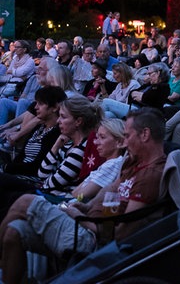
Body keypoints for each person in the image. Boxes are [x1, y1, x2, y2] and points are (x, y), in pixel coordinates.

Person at [0, 107, 166, 284]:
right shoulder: (134, 163)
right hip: (88, 221)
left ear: (145, 134)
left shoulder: (150, 176)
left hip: (92, 239)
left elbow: (119, 235)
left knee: (25, 201)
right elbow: (110, 188)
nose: (125, 142)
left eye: (127, 135)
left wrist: (81, 216)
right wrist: (87, 206)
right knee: (15, 230)